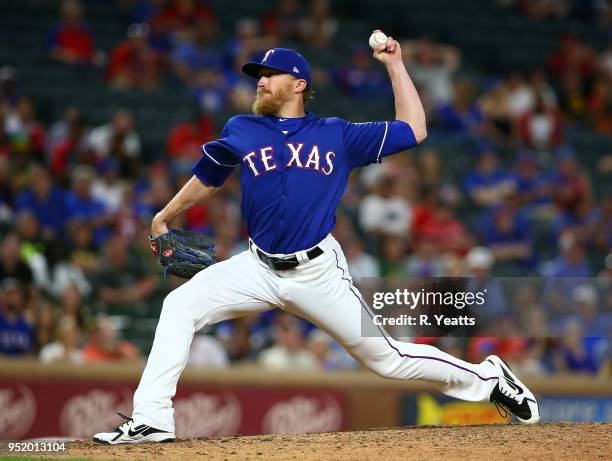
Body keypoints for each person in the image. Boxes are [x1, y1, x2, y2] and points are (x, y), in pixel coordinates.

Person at [93, 35, 539, 445]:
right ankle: (152, 418)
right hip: (257, 266)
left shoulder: (336, 133)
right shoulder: (241, 128)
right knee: (178, 307)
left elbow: (415, 128)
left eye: (270, 75)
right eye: (258, 76)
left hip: (317, 272)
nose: (261, 82)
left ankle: (489, 378)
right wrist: (165, 215)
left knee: (386, 359)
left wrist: (396, 65)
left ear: (299, 84)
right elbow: (209, 177)